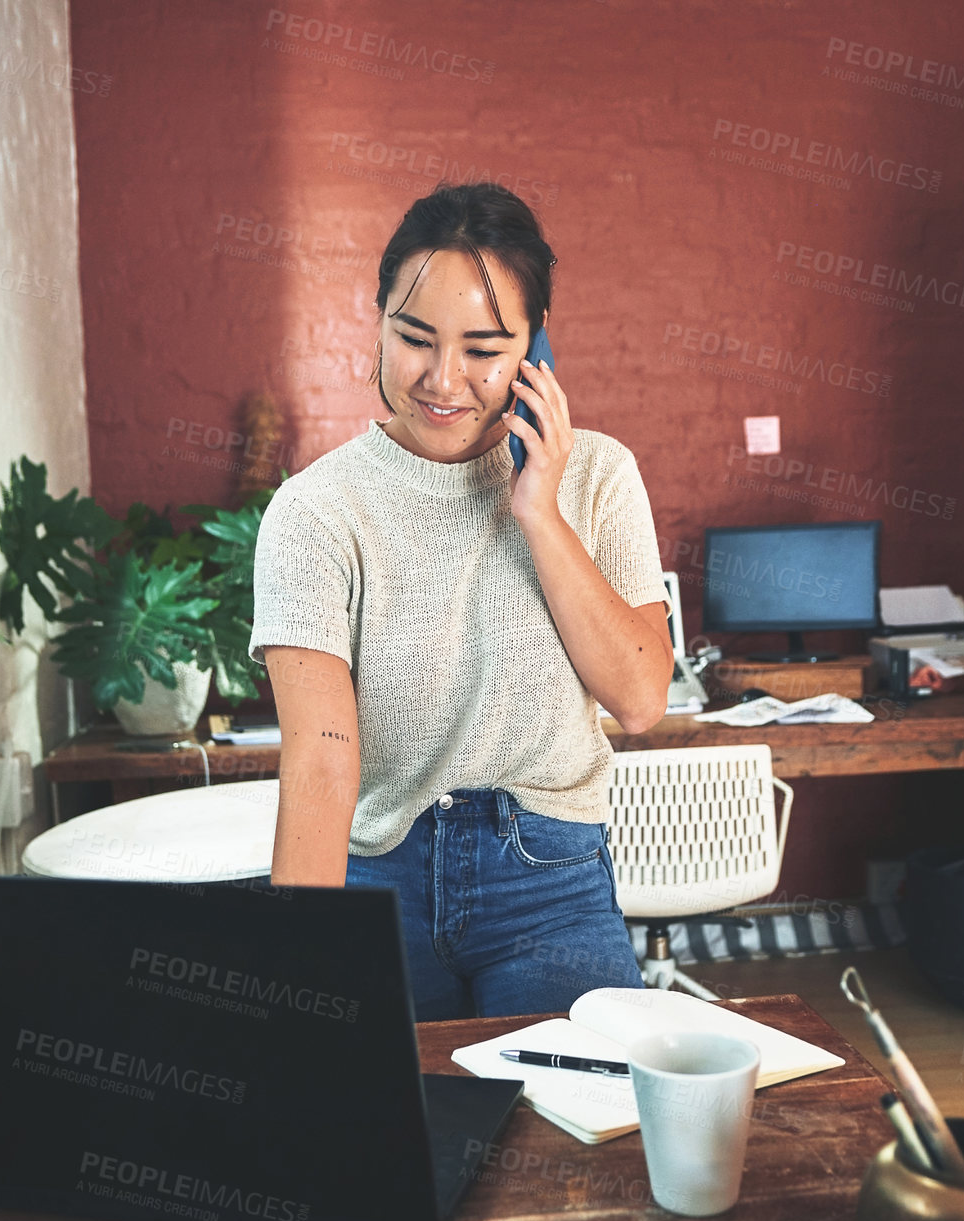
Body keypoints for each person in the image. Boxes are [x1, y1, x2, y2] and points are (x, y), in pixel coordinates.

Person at [249, 182, 674, 1020]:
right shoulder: (313, 511)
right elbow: (323, 759)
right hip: (381, 880)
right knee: (383, 1131)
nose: (443, 380)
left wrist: (538, 512)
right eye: (414, 338)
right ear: (376, 323)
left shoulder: (597, 476)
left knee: (576, 1118)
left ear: (534, 351)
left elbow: (640, 698)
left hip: (547, 883)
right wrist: (292, 965)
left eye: (484, 348)